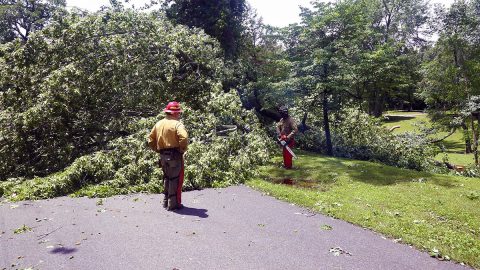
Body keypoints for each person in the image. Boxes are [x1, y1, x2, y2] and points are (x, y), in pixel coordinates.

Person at [148, 101, 188, 211]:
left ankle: (165, 202)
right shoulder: (177, 124)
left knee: (167, 178)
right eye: (178, 113)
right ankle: (173, 204)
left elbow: (150, 140)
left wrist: (157, 150)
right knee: (176, 179)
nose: (179, 115)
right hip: (175, 155)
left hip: (163, 156)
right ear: (174, 113)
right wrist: (182, 149)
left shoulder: (158, 124)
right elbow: (183, 138)